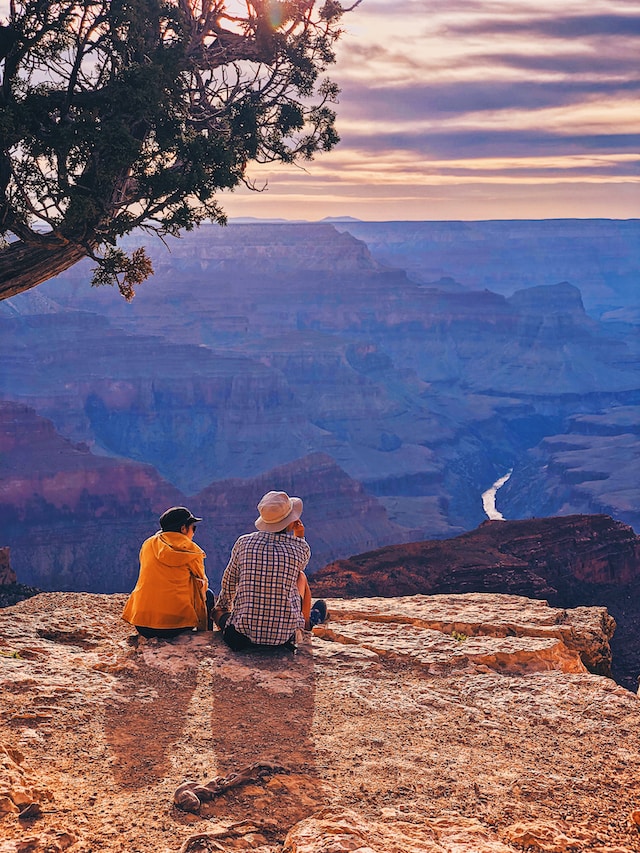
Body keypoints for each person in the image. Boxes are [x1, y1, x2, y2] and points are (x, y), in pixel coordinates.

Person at [213, 490, 327, 652]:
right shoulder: (298, 547)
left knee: (218, 613)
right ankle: (307, 623)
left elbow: (230, 580)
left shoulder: (244, 543)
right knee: (301, 576)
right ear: (290, 521)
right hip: (284, 639)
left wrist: (223, 607)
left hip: (241, 639)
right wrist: (299, 536)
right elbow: (300, 565)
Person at [122, 506, 209, 639]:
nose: (194, 532)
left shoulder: (148, 543)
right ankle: (206, 636)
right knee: (209, 594)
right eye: (193, 527)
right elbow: (201, 584)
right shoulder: (191, 549)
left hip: (142, 625)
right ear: (183, 528)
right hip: (175, 626)